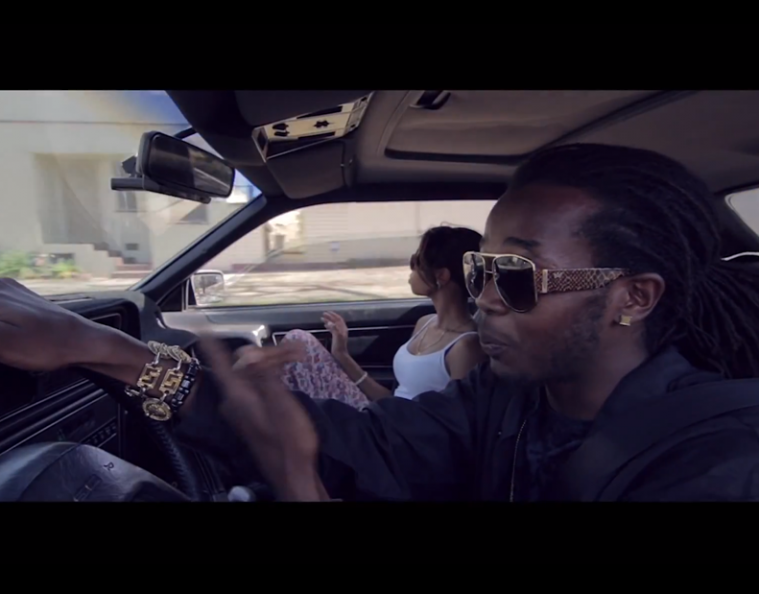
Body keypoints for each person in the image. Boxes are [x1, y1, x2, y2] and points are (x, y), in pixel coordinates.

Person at [3, 142, 759, 501]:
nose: (486, 298)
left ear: (634, 298)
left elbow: (315, 460)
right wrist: (109, 350)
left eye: (516, 275)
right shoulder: (506, 402)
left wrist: (300, 485)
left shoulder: (722, 463)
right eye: (479, 269)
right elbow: (360, 446)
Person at [277, 225, 486, 408]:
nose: (410, 268)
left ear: (441, 276)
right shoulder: (425, 323)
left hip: (396, 436)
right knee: (299, 342)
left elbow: (458, 425)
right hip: (383, 418)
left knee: (297, 345)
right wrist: (341, 354)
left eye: (416, 262)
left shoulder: (465, 347)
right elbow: (392, 400)